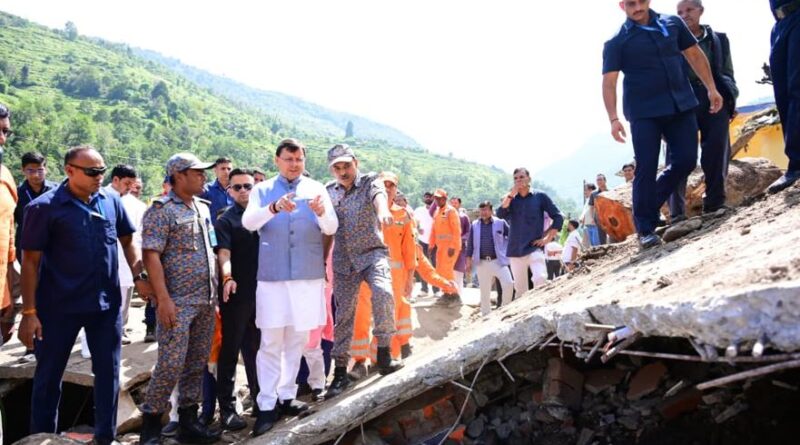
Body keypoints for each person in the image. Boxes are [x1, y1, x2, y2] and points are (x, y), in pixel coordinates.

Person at [18, 146, 153, 445]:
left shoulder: (110, 200)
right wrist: (29, 313)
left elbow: (127, 239)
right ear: (69, 171)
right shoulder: (44, 208)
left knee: (108, 375)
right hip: (57, 308)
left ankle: (105, 437)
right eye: (92, 172)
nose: (99, 177)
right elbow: (30, 262)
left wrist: (139, 274)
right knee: (49, 379)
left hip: (104, 307)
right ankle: (43, 439)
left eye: (102, 171)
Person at [602, 0, 723, 249]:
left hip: (680, 105)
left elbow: (694, 55)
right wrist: (613, 119)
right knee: (645, 167)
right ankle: (645, 229)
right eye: (631, 4)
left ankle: (646, 206)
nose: (637, 8)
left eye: (641, 1)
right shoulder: (617, 42)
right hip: (644, 113)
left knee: (688, 159)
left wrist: (712, 88)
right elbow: (609, 82)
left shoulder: (673, 23)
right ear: (622, 5)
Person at [242, 139, 338, 435]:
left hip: (306, 277)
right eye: (288, 159)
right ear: (277, 160)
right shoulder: (261, 189)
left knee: (296, 339)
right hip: (272, 278)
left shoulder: (317, 188)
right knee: (270, 341)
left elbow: (331, 228)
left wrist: (321, 212)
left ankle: (286, 396)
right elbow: (249, 222)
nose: (294, 164)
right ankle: (266, 405)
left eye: (299, 159)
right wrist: (272, 208)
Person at [138, 153, 220, 445]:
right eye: (197, 173)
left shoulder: (203, 208)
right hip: (177, 302)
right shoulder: (162, 210)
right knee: (170, 364)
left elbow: (211, 249)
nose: (204, 177)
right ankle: (150, 424)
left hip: (206, 301)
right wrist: (163, 299)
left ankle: (189, 421)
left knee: (196, 363)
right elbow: (151, 255)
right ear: (179, 176)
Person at [325, 144, 402, 399]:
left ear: (355, 163)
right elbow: (325, 227)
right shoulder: (328, 192)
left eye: (346, 165)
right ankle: (339, 373)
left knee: (383, 293)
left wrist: (383, 212)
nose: (342, 171)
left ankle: (383, 353)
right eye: (337, 167)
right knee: (344, 315)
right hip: (343, 261)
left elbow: (379, 199)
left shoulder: (370, 182)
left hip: (372, 253)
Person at [667, 0, 738, 219]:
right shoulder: (670, 43)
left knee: (716, 148)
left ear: (701, 11)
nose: (684, 15)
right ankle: (677, 213)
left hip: (713, 96)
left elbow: (727, 71)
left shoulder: (718, 39)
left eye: (689, 10)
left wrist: (730, 99)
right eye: (680, 12)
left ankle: (715, 203)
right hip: (681, 102)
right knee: (678, 156)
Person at [214, 168, 261, 431]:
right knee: (230, 351)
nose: (243, 191)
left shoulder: (265, 216)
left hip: (264, 294)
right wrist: (227, 278)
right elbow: (224, 253)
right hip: (236, 295)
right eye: (238, 187)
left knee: (259, 350)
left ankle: (261, 399)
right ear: (229, 190)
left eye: (247, 186)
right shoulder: (226, 221)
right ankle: (228, 410)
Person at [497, 168, 563, 298]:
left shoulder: (540, 197)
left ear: (529, 179)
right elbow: (500, 214)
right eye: (515, 178)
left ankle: (542, 309)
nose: (518, 180)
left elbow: (558, 217)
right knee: (520, 290)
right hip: (515, 249)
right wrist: (511, 194)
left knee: (540, 279)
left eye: (521, 177)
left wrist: (547, 238)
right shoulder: (511, 199)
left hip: (534, 247)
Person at [766, 0, 800, 194]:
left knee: (797, 88)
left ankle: (797, 164)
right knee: (783, 94)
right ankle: (795, 163)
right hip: (779, 25)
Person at [105, 164, 139, 345]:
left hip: (126, 262)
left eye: (132, 184)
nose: (129, 188)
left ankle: (118, 333)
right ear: (115, 179)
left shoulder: (132, 203)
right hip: (105, 261)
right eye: (127, 183)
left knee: (123, 302)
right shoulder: (101, 197)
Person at [465, 201, 513, 316]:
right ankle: (485, 315)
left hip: (498, 261)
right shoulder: (475, 225)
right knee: (484, 291)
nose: (483, 212)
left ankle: (506, 309)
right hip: (481, 262)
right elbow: (470, 243)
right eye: (481, 210)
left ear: (491, 211)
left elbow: (511, 237)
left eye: (486, 210)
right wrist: (468, 261)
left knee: (509, 283)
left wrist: (506, 251)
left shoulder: (500, 223)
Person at [428, 189, 462, 305]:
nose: (437, 200)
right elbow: (433, 230)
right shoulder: (437, 212)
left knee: (447, 271)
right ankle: (446, 294)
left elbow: (457, 230)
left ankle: (454, 295)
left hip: (450, 247)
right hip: (441, 247)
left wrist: (453, 246)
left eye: (439, 198)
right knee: (440, 271)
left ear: (444, 199)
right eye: (435, 198)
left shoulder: (451, 211)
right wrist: (431, 244)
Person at [0, 106, 16, 347]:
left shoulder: (5, 176)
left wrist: (9, 297)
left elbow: (9, 238)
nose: (2, 138)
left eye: (5, 132)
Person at [413, 192, 435, 297]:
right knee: (422, 265)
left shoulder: (438, 210)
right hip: (422, 241)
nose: (428, 198)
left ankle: (436, 290)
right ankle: (424, 289)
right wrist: (418, 228)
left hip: (435, 242)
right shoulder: (418, 210)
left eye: (430, 196)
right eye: (426, 196)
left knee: (435, 265)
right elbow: (413, 223)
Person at [201, 156, 233, 222]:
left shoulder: (239, 189)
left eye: (229, 169)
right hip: (215, 230)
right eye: (223, 169)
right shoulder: (206, 189)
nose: (226, 172)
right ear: (215, 171)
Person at [450, 197, 471, 293]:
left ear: (460, 204)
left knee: (458, 271)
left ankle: (459, 294)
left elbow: (468, 231)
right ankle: (449, 294)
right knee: (448, 272)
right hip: (448, 248)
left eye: (456, 203)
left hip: (460, 248)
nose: (454, 204)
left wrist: (460, 239)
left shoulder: (464, 217)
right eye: (452, 203)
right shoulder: (446, 216)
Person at [591, 174, 609, 244]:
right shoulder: (594, 194)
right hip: (599, 217)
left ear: (605, 181)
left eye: (600, 179)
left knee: (613, 235)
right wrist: (593, 218)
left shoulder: (611, 191)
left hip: (610, 216)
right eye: (597, 180)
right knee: (601, 236)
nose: (599, 181)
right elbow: (592, 207)